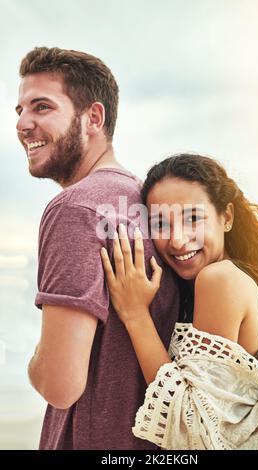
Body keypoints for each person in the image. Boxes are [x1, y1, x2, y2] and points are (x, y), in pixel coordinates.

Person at [16, 47, 180, 450]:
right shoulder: (148, 203)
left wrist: (35, 360)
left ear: (93, 118)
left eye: (41, 107)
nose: (22, 124)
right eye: (18, 110)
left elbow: (59, 384)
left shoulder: (75, 208)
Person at [101, 153, 258, 450]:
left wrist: (134, 314)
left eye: (193, 218)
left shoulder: (219, 279)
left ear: (227, 217)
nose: (178, 240)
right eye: (160, 224)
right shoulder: (222, 281)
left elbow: (193, 429)